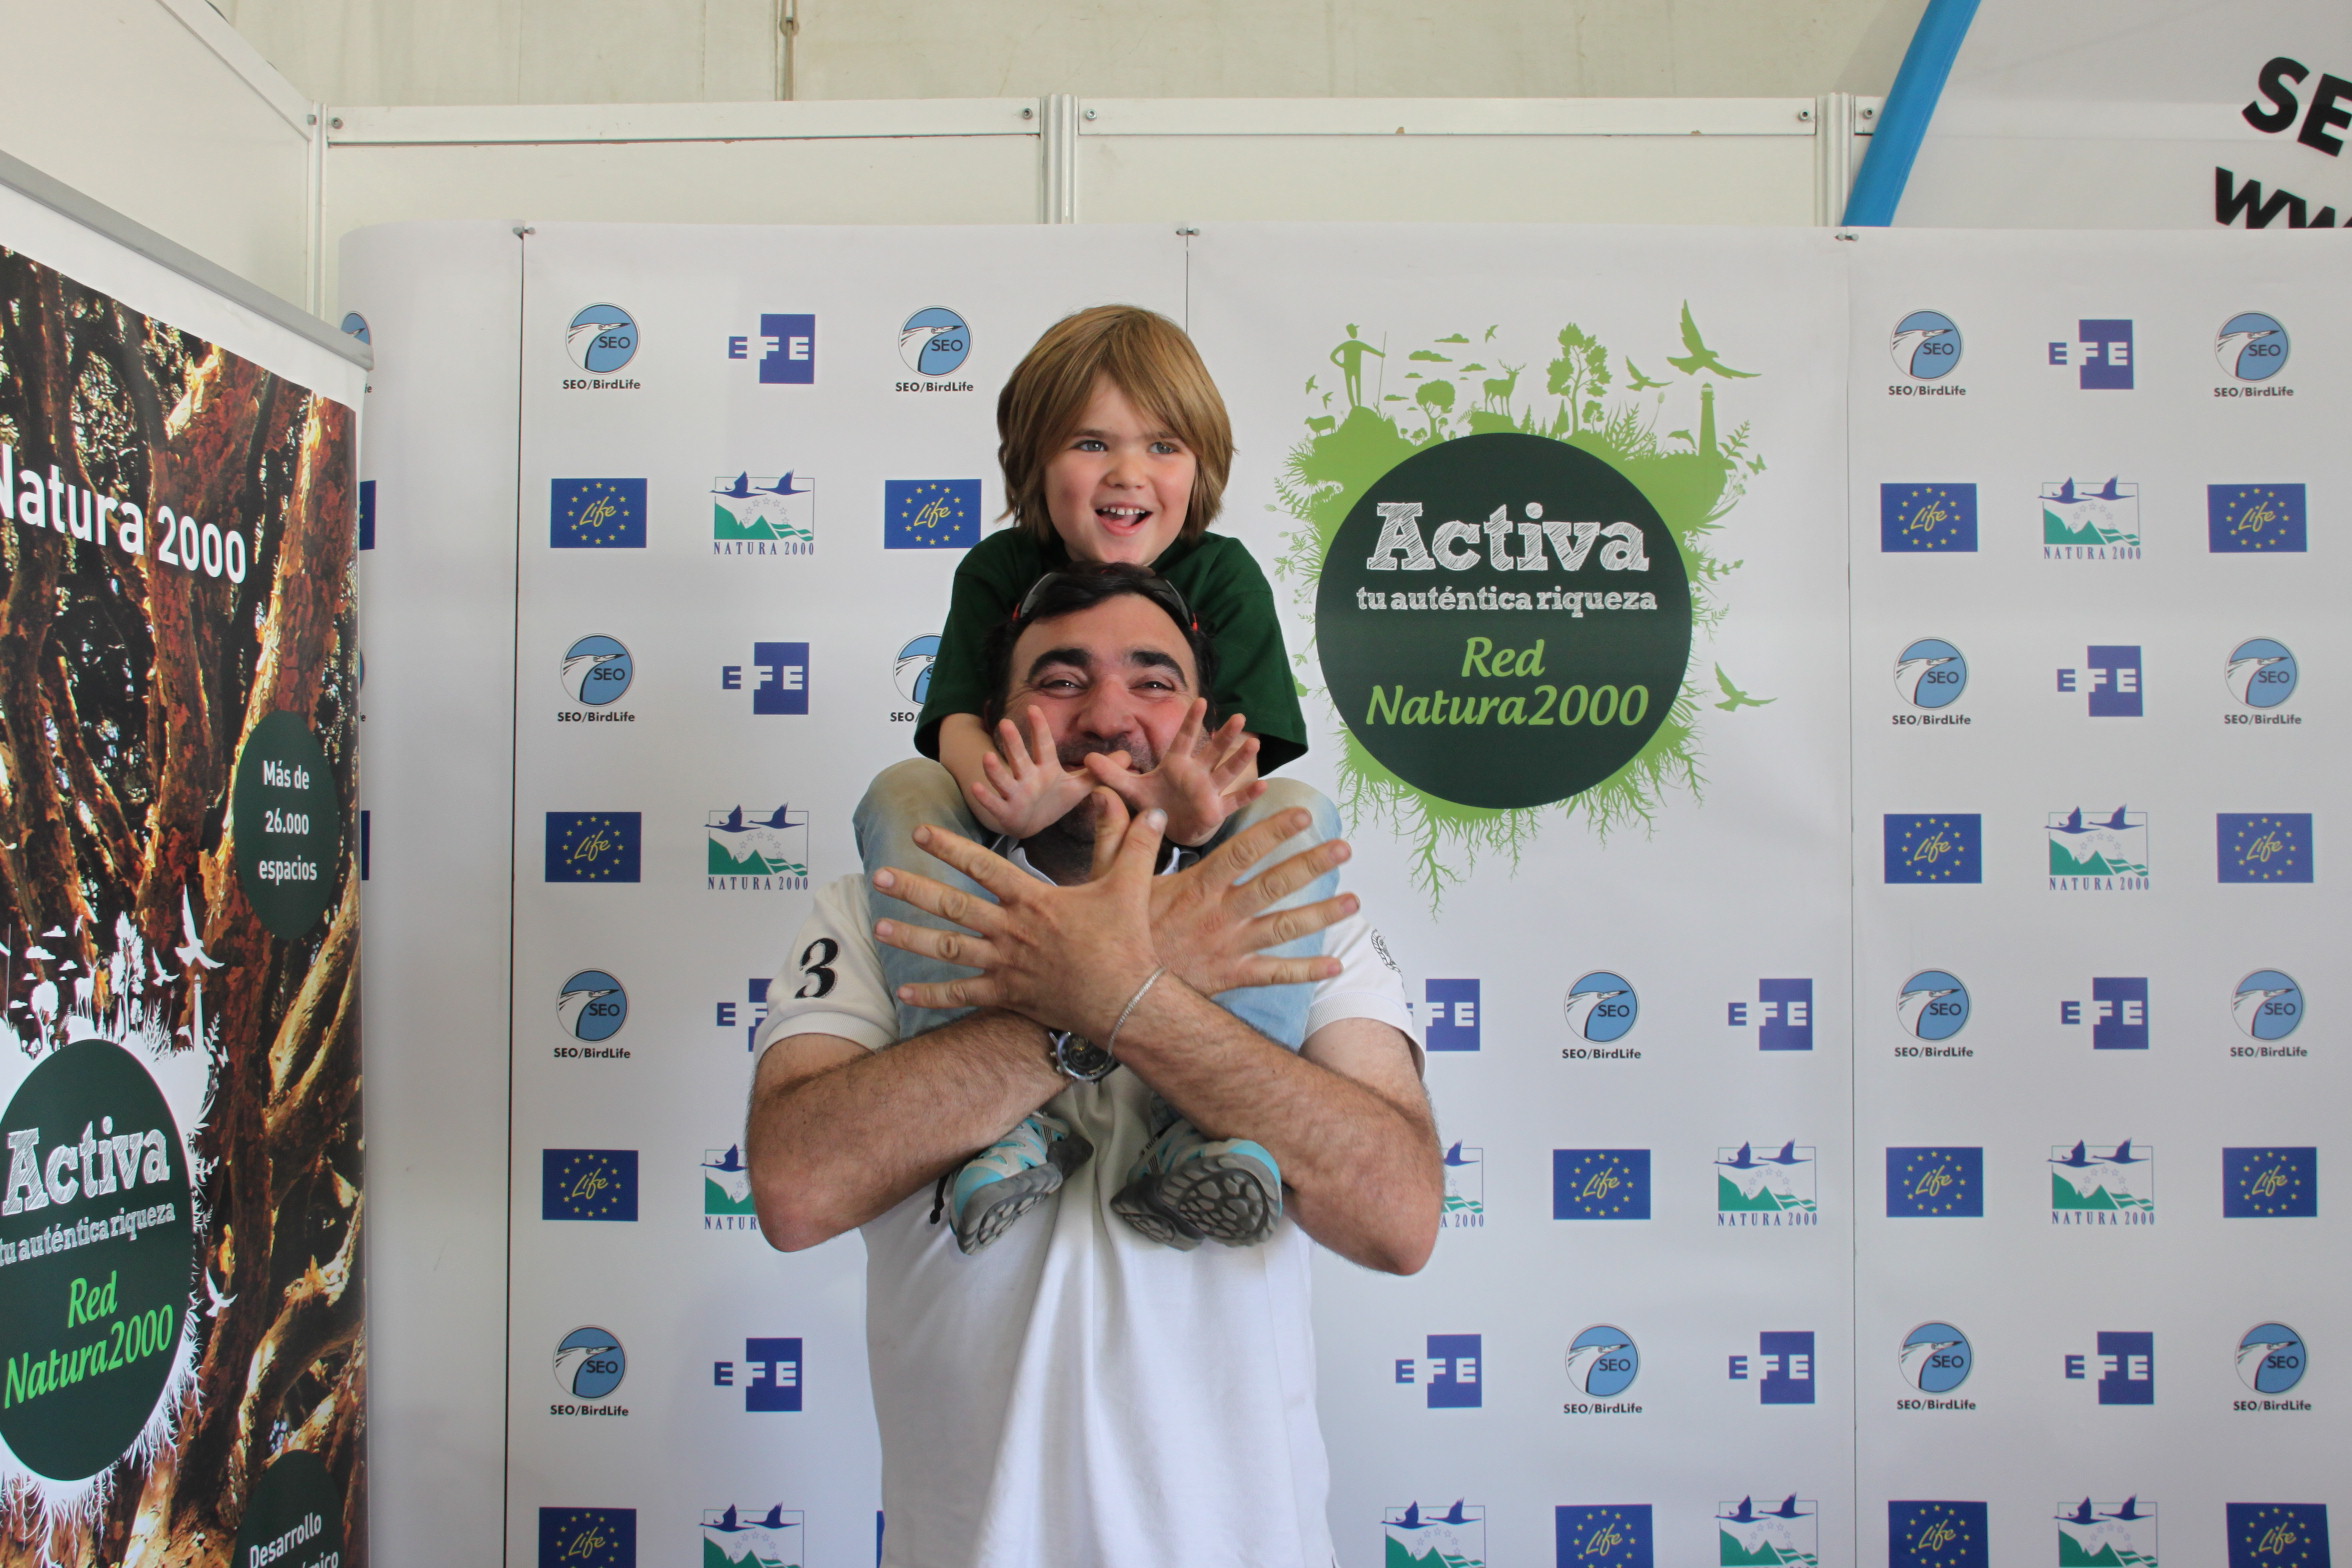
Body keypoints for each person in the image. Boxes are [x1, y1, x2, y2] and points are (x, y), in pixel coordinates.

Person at [746, 567, 1440, 1568]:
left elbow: (1398, 1213)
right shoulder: (876, 906)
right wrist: (1098, 996)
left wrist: (1144, 979)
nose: (1109, 715)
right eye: (1062, 680)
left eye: (1153, 682)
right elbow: (798, 1185)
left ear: (1202, 720)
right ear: (991, 724)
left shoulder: (1290, 910)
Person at [861, 305, 1321, 1253]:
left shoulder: (1223, 574)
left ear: (1203, 469)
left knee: (1297, 810)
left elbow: (1244, 757)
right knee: (900, 791)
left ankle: (1215, 1123)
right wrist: (1004, 792)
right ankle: (988, 1121)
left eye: (1162, 444)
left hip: (1180, 818)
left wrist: (1187, 812)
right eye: (1089, 442)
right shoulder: (999, 566)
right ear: (1033, 463)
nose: (1128, 474)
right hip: (1030, 812)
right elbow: (951, 721)